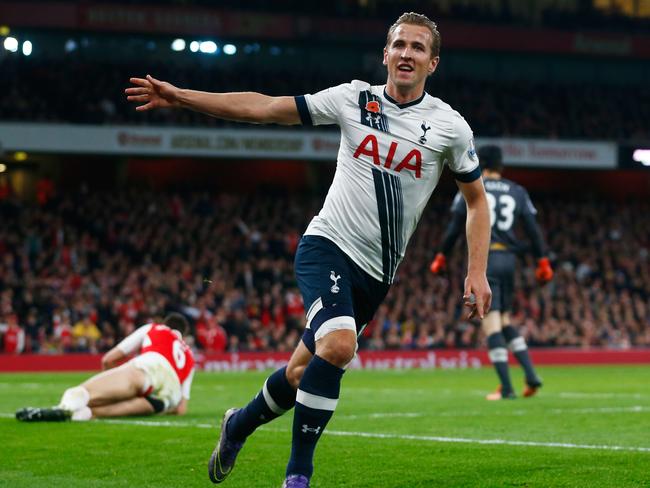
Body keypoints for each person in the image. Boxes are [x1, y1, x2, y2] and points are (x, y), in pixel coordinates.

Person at [125, 12, 492, 488]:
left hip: (377, 273)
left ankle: (237, 425)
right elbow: (263, 107)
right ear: (385, 54)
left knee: (301, 373)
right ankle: (298, 476)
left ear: (433, 62)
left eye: (418, 47)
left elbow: (477, 201)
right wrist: (182, 97)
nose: (407, 53)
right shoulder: (352, 100)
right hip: (327, 244)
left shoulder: (449, 127)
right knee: (339, 345)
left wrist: (476, 271)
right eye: (399, 44)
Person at [430, 145, 553, 400]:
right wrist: (543, 260)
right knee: (505, 320)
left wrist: (442, 255)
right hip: (510, 260)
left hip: (487, 259)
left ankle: (506, 388)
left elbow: (454, 226)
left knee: (490, 323)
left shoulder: (473, 185)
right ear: (501, 165)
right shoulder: (518, 191)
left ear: (480, 162)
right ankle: (530, 375)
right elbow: (532, 228)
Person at [15, 312, 195, 421]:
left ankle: (59, 410)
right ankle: (79, 415)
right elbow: (181, 409)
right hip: (166, 398)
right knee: (95, 411)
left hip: (147, 369)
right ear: (183, 334)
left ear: (166, 324)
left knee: (80, 393)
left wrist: (115, 387)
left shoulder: (154, 328)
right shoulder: (190, 356)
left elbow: (109, 359)